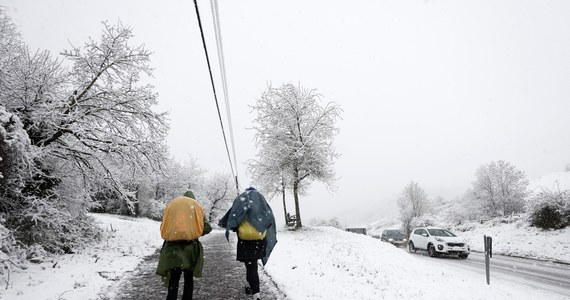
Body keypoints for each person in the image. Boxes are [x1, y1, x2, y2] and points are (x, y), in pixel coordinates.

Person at [218, 187, 277, 300]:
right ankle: (250, 288)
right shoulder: (261, 201)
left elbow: (232, 219)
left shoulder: (241, 200)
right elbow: (269, 219)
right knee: (252, 264)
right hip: (259, 239)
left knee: (250, 265)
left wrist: (236, 227)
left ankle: (256, 294)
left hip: (245, 240)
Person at [156, 191, 212, 300]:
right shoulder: (196, 207)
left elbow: (164, 226)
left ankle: (171, 298)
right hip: (190, 249)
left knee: (174, 278)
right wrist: (195, 232)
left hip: (173, 248)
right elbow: (207, 227)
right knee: (188, 278)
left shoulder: (173, 206)